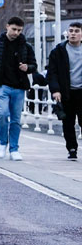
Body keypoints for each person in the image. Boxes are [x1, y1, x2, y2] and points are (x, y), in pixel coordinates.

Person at [0, 16, 37, 161]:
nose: (16, 33)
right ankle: (2, 142)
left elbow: (34, 65)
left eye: (19, 30)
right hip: (2, 85)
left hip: (19, 86)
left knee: (16, 120)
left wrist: (28, 67)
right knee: (2, 114)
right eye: (14, 29)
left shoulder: (26, 46)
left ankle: (14, 149)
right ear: (7, 27)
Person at [48, 23, 82, 161]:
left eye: (76, 31)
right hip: (66, 92)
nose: (73, 33)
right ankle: (72, 149)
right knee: (68, 122)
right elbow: (52, 73)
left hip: (81, 91)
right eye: (71, 31)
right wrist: (55, 90)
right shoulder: (58, 51)